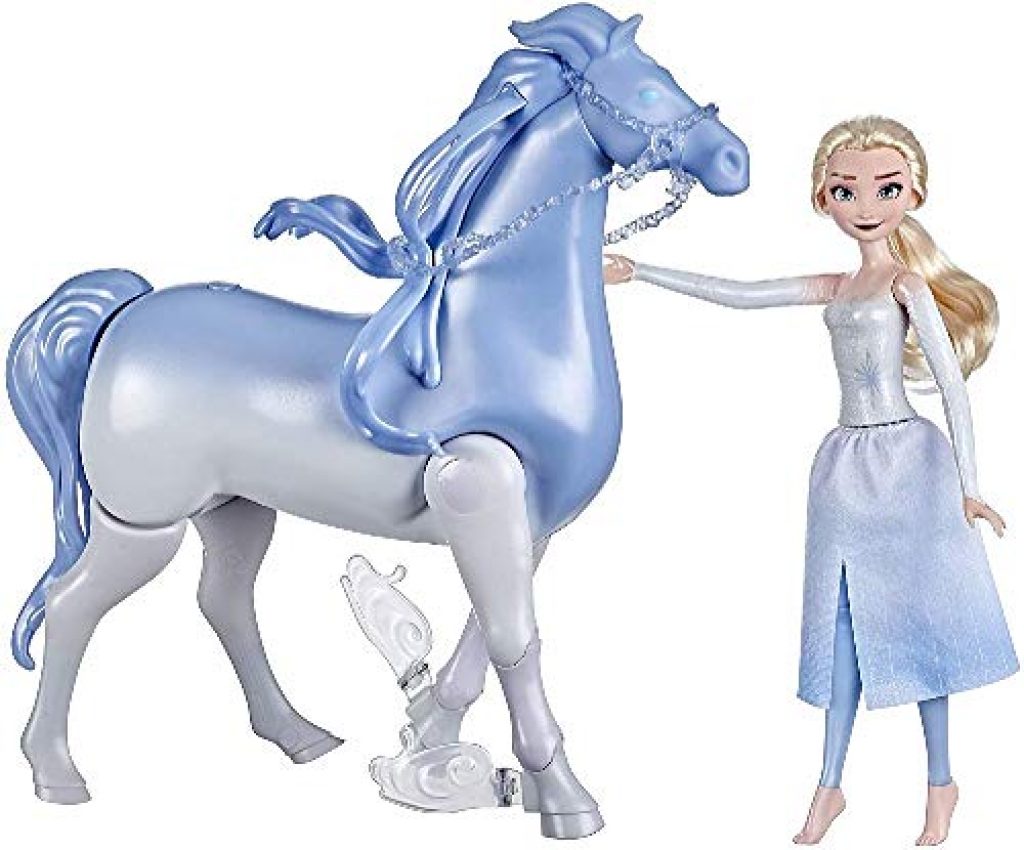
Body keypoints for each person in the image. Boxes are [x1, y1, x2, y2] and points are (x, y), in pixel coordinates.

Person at [603, 116, 1017, 846]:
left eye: (886, 188)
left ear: (913, 193)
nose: (866, 205)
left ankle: (940, 783)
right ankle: (830, 786)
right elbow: (742, 293)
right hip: (845, 467)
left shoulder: (906, 285)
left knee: (924, 621)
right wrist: (644, 272)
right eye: (846, 190)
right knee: (841, 622)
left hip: (910, 462)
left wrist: (970, 484)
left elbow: (952, 384)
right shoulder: (839, 285)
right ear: (824, 198)